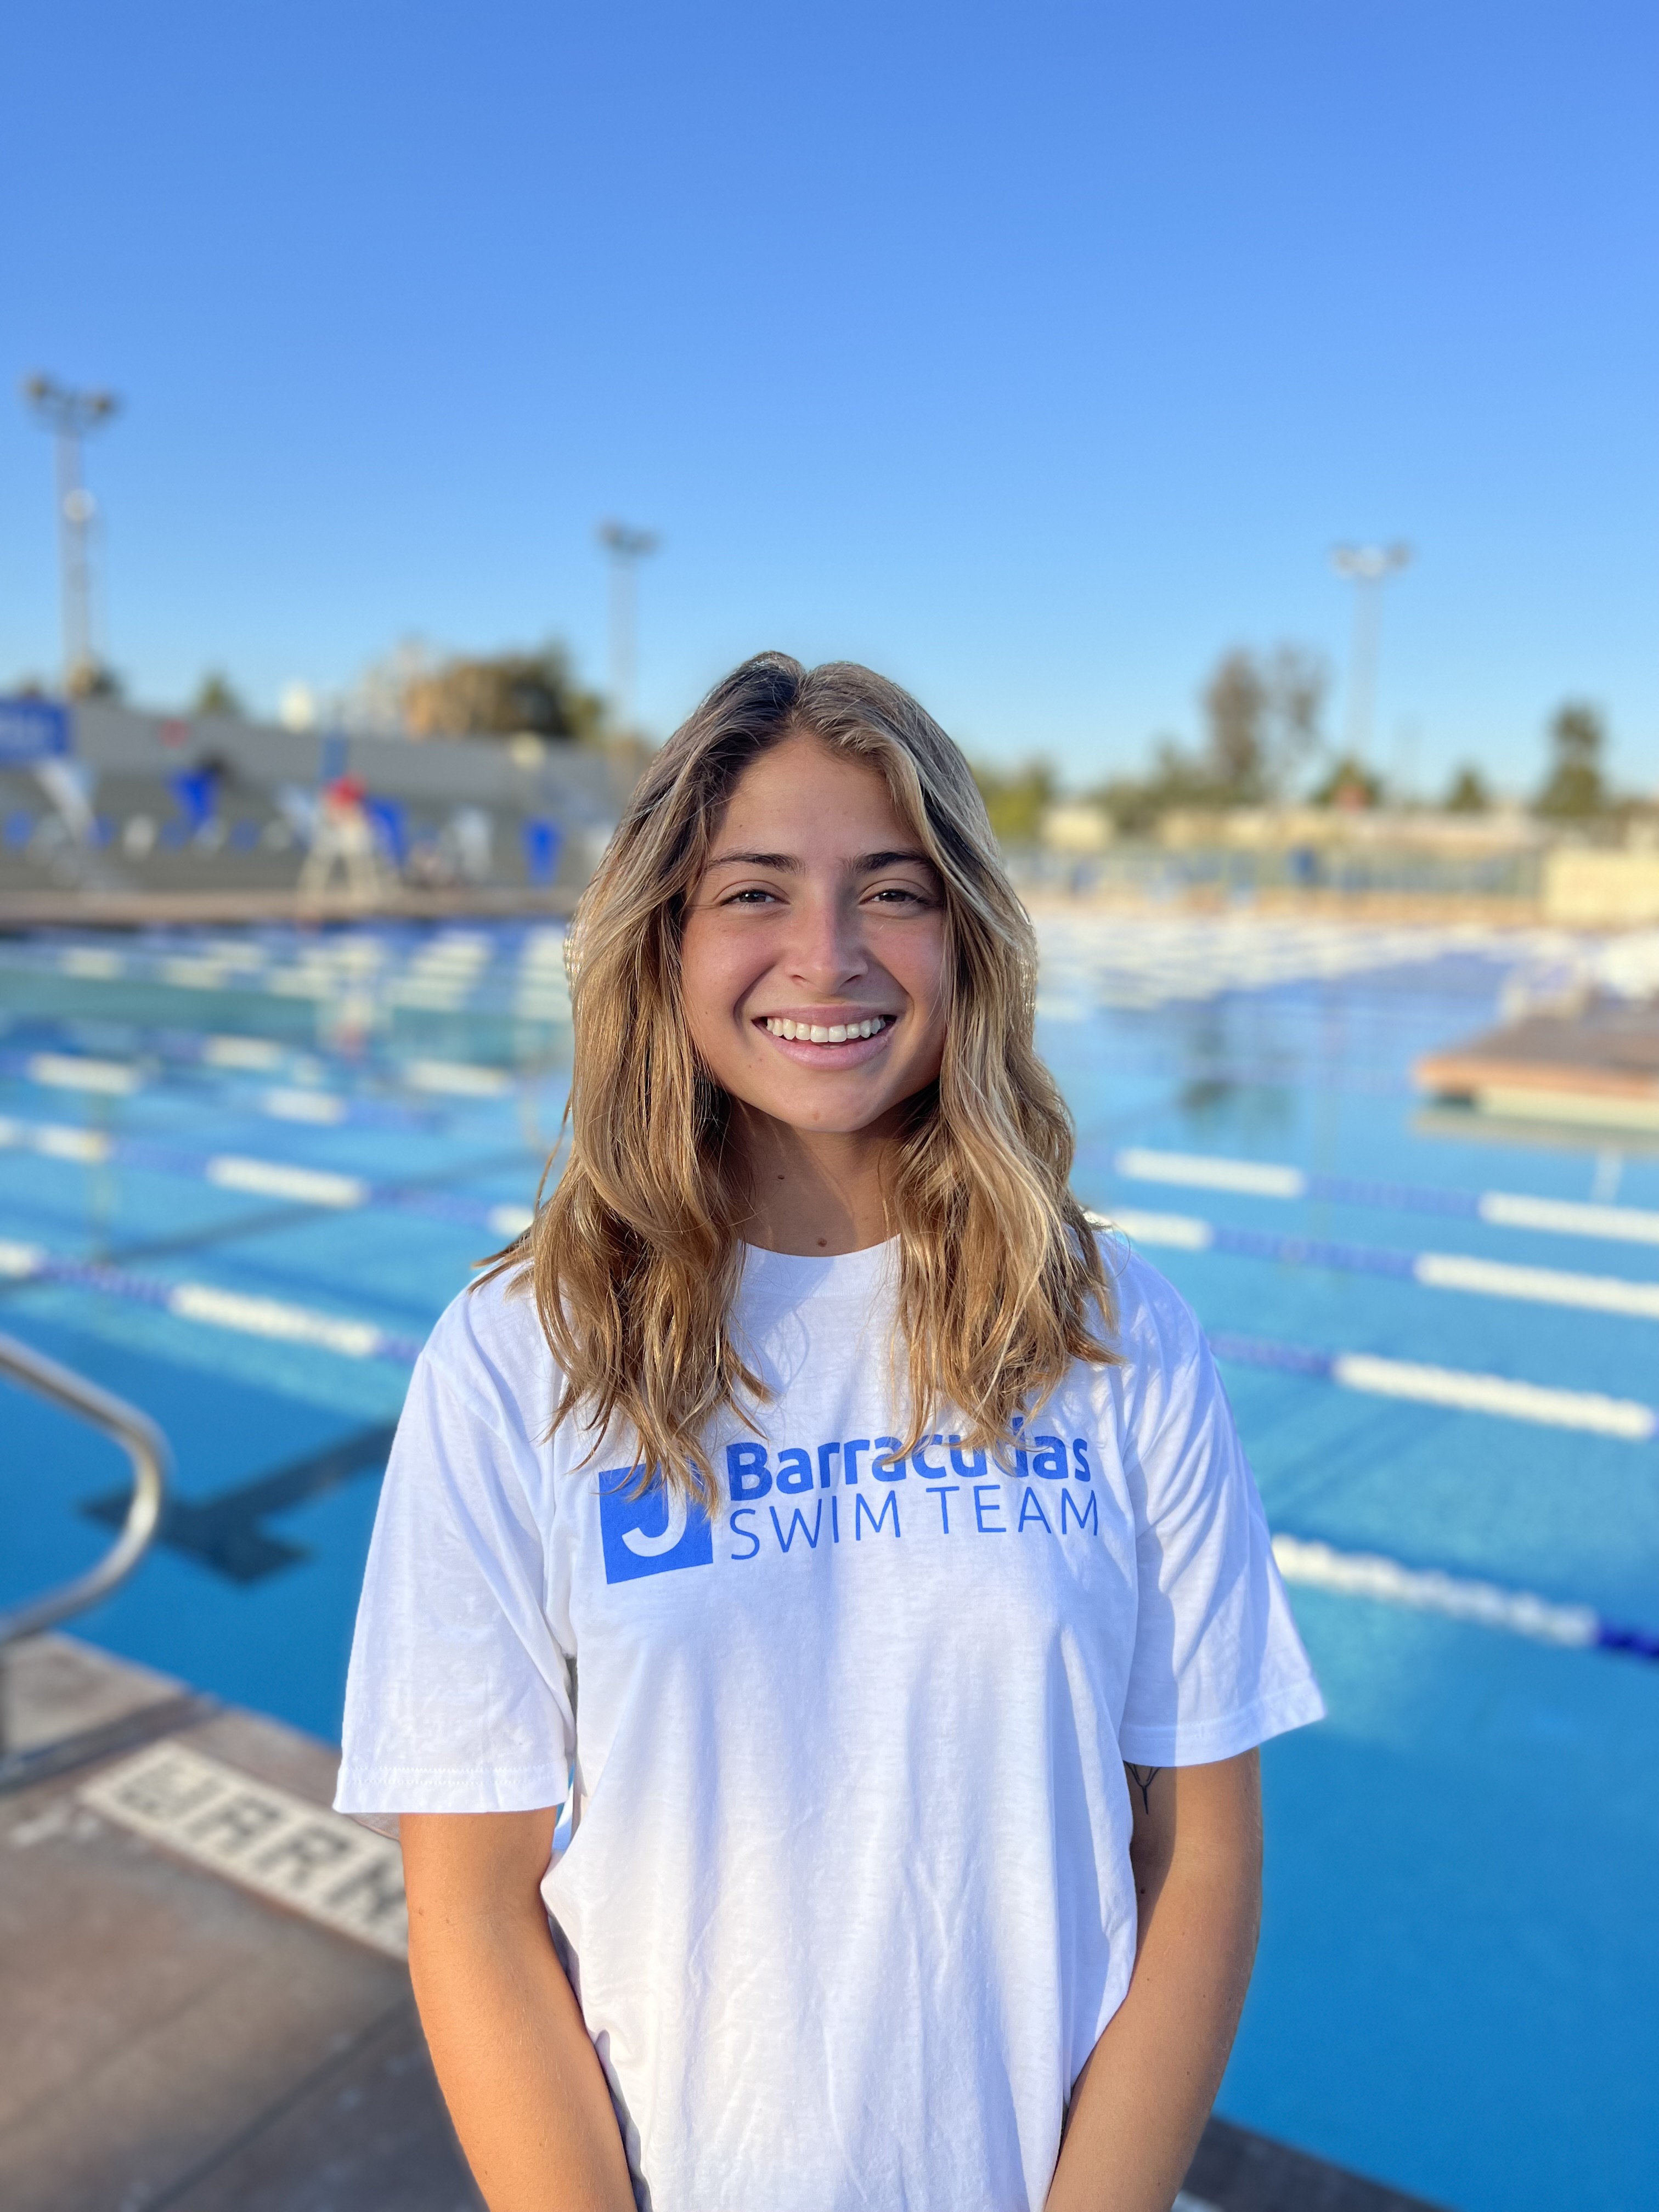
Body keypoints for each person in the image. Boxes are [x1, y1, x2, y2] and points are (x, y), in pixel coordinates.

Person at [335, 653, 1324, 2212]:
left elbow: (1197, 1851)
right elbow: (471, 1903)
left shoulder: (1114, 1331)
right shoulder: (521, 1355)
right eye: (754, 895)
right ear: (663, 942)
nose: (829, 956)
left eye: (892, 891)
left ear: (965, 937)